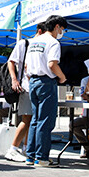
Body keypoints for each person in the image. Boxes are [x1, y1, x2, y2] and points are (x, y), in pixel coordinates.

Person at [25, 15, 67, 167]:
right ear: (57, 27)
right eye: (62, 29)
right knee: (45, 121)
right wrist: (62, 77)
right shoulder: (53, 43)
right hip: (46, 82)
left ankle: (30, 156)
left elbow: (26, 66)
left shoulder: (34, 41)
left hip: (33, 81)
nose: (62, 32)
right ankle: (42, 157)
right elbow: (52, 65)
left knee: (35, 120)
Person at [4, 22, 46, 162]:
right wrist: (14, 80)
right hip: (26, 87)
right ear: (40, 31)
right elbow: (11, 61)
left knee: (33, 119)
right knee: (27, 119)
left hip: (37, 87)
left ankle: (27, 148)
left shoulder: (44, 45)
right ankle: (13, 149)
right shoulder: (25, 43)